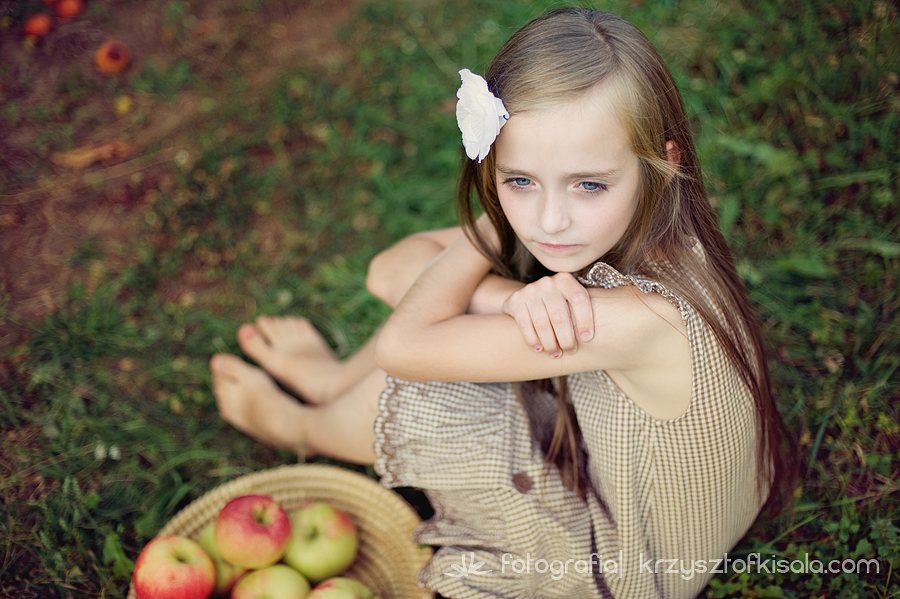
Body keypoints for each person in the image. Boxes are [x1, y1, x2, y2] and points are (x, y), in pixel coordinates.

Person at [209, 8, 796, 598]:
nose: (550, 219)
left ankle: (299, 424)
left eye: (589, 183)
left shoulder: (637, 318)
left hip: (627, 563)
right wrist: (509, 296)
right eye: (520, 180)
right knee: (450, 304)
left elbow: (404, 344)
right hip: (663, 489)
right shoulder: (655, 228)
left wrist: (498, 235)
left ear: (662, 163)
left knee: (426, 379)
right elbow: (386, 272)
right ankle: (330, 381)